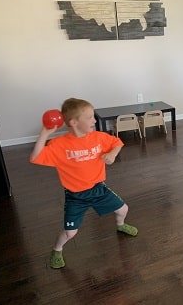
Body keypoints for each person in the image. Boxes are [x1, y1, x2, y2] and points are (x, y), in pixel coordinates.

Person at [30, 98, 138, 269]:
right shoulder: (59, 145)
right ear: (73, 122)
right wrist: (44, 134)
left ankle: (120, 225)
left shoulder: (99, 137)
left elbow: (117, 143)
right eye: (89, 117)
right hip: (76, 196)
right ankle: (57, 250)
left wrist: (113, 155)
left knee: (123, 209)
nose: (94, 120)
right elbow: (35, 157)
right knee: (70, 232)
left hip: (98, 189)